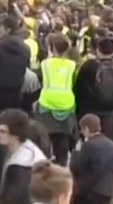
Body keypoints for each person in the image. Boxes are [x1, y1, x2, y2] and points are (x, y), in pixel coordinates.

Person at [34, 34, 77, 166]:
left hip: (47, 102)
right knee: (63, 136)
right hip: (66, 103)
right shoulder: (72, 65)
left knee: (46, 135)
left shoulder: (45, 64)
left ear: (51, 48)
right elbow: (73, 82)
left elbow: (40, 79)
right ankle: (62, 163)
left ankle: (46, 163)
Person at [74, 35, 113, 142]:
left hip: (91, 107)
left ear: (98, 50)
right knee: (108, 135)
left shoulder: (88, 66)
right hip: (111, 106)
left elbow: (78, 88)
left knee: (91, 134)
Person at [0, 108, 47, 204]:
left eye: (2, 131)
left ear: (16, 134)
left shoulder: (22, 163)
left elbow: (18, 198)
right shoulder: (25, 150)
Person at [69, 114, 113, 204]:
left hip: (90, 192)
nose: (82, 132)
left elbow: (76, 167)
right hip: (107, 191)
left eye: (82, 130)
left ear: (86, 129)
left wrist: (76, 151)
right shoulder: (111, 144)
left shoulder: (88, 145)